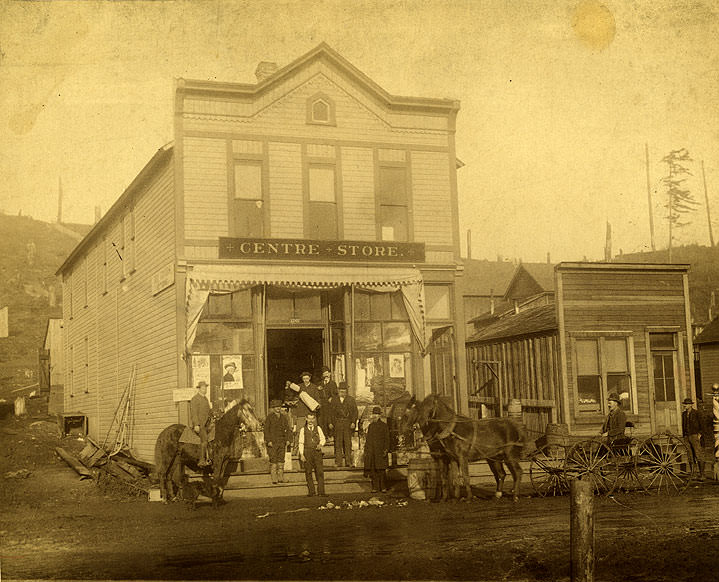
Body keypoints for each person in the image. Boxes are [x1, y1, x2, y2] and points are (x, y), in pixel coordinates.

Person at [329, 382, 358, 467]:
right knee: (338, 443)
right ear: (338, 391)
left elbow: (355, 412)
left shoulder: (351, 400)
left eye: (344, 391)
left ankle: (348, 461)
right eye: (341, 391)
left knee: (348, 443)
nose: (343, 393)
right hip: (337, 423)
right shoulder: (334, 400)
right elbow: (330, 412)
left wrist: (353, 422)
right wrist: (330, 422)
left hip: (347, 423)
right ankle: (338, 462)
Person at [298, 412, 326, 497]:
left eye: (312, 419)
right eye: (309, 419)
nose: (310, 421)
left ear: (314, 419)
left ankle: (321, 492)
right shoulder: (303, 429)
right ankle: (311, 492)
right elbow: (301, 443)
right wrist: (302, 454)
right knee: (308, 472)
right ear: (306, 419)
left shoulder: (318, 428)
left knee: (320, 472)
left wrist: (320, 444)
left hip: (317, 452)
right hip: (307, 452)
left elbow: (323, 439)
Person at [264, 399, 291, 484]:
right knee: (273, 459)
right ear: (273, 408)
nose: (278, 408)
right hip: (272, 442)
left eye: (279, 407)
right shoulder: (269, 417)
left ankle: (281, 477)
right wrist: (268, 440)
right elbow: (266, 430)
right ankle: (274, 478)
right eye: (276, 407)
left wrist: (288, 440)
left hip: (281, 441)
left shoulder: (284, 417)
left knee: (281, 459)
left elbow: (288, 429)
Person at [364, 406, 390, 493]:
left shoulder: (384, 426)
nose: (375, 416)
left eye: (377, 414)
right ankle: (375, 487)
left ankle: (383, 487)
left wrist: (386, 449)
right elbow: (368, 439)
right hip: (372, 451)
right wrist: (367, 450)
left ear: (379, 416)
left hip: (381, 451)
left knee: (381, 470)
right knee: (373, 470)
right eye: (374, 414)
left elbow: (387, 439)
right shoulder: (371, 426)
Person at [682, 397, 705, 480]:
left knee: (698, 454)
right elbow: (683, 426)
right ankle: (693, 474)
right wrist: (684, 436)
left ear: (691, 405)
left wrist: (700, 434)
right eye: (684, 404)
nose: (684, 406)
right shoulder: (684, 414)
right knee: (690, 455)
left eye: (686, 404)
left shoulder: (696, 413)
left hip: (695, 436)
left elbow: (702, 425)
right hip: (687, 437)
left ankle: (702, 475)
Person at [190, 380, 211, 466]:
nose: (205, 389)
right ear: (199, 389)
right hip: (200, 425)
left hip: (207, 423)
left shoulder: (205, 399)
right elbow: (194, 413)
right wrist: (196, 425)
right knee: (204, 439)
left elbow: (208, 411)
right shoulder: (195, 399)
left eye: (205, 388)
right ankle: (202, 460)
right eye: (203, 388)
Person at [315, 367, 333, 439]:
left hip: (330, 405)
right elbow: (316, 394)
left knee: (329, 420)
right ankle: (323, 436)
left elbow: (335, 394)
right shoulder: (319, 384)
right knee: (321, 420)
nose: (326, 375)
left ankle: (330, 435)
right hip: (322, 404)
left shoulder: (333, 383)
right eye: (324, 374)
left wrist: (332, 398)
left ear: (330, 374)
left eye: (327, 373)